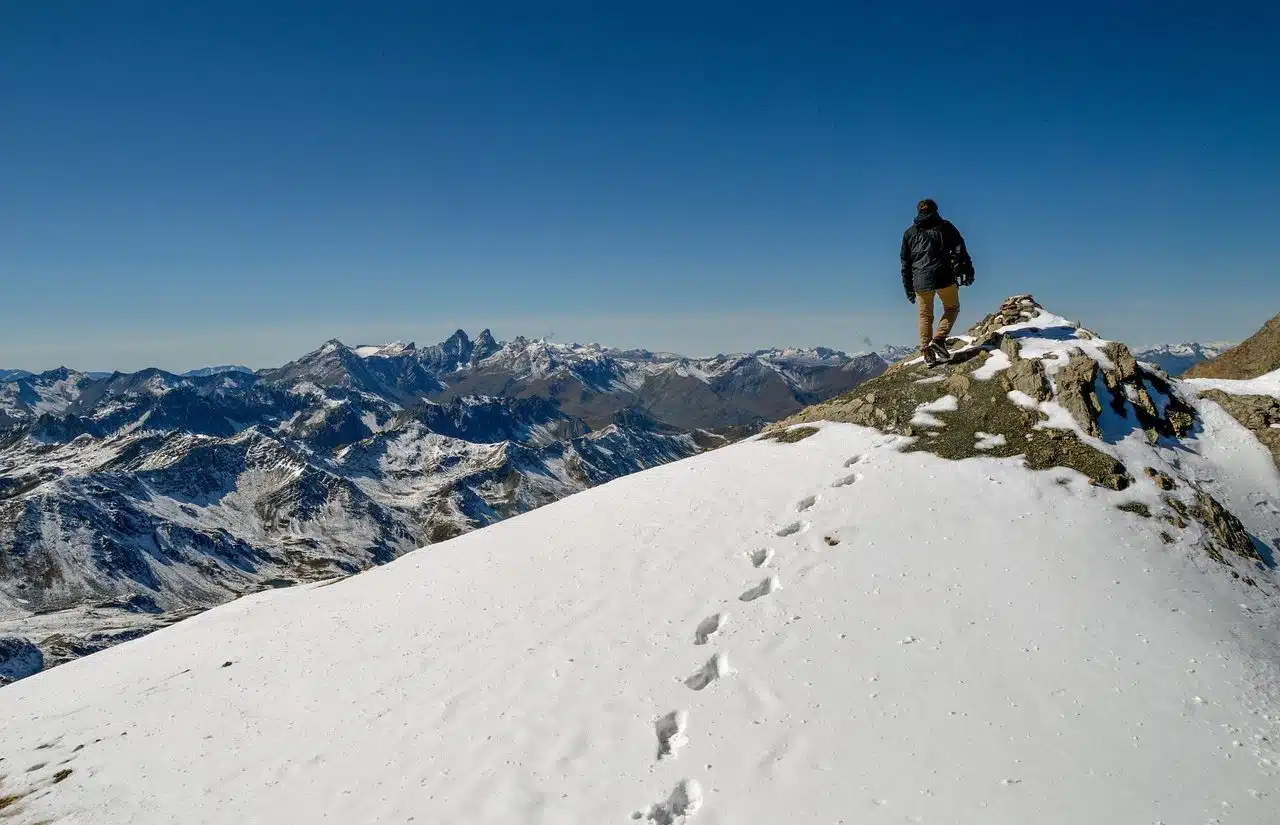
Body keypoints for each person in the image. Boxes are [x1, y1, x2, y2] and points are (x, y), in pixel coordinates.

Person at [900, 198, 975, 366]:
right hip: (944, 276)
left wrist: (908, 289)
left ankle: (927, 352)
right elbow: (961, 250)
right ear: (936, 210)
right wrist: (969, 270)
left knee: (925, 316)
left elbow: (905, 263)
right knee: (952, 308)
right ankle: (939, 339)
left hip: (920, 281)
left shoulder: (909, 233)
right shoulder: (946, 227)